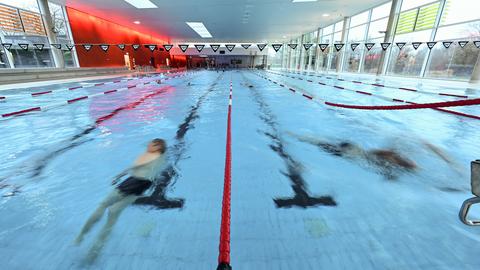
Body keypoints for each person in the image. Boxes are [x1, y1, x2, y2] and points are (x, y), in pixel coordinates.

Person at [74, 139, 167, 262]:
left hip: (132, 183)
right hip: (139, 189)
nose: (148, 145)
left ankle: (81, 235)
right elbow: (152, 177)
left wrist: (119, 175)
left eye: (151, 144)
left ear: (157, 147)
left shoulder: (150, 155)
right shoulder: (162, 160)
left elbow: (133, 167)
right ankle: (94, 253)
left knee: (103, 205)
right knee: (112, 216)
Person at [288, 133, 417, 179]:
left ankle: (300, 137)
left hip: (354, 152)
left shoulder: (390, 166)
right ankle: (298, 137)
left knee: (322, 143)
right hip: (353, 152)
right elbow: (374, 153)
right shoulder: (390, 159)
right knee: (321, 144)